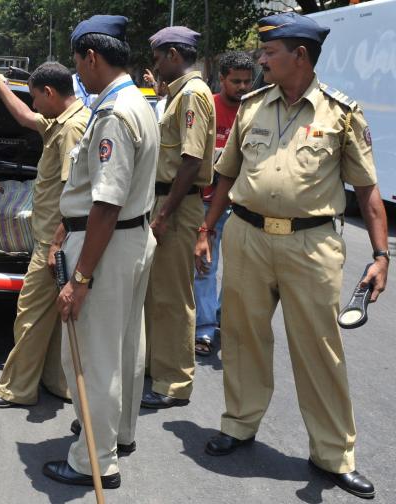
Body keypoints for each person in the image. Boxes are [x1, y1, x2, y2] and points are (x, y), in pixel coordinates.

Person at [195, 12, 389, 499]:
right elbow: (225, 175)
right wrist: (206, 230)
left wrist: (380, 255)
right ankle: (239, 423)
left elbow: (367, 190)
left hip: (311, 245)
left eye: (270, 52)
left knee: (319, 349)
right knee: (243, 338)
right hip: (247, 236)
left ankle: (333, 455)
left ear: (299, 55)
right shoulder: (252, 107)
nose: (261, 60)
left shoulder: (341, 113)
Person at [43, 15, 159, 489]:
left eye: (77, 62)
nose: (77, 72)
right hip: (130, 238)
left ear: (91, 58)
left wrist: (80, 279)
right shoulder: (136, 101)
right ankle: (117, 434)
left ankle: (94, 461)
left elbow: (106, 204)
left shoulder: (113, 113)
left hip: (107, 244)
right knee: (125, 346)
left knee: (94, 357)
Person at [0, 61, 90, 408]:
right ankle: (56, 381)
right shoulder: (63, 120)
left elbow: (75, 194)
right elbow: (24, 117)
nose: (33, 104)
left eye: (35, 97)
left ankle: (16, 389)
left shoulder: (72, 128)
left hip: (55, 241)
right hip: (53, 238)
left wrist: (56, 245)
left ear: (49, 93)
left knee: (30, 315)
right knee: (53, 316)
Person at [141, 26, 216, 410]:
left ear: (172, 54)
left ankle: (174, 382)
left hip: (176, 203)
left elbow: (191, 160)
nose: (155, 66)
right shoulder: (177, 94)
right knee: (157, 294)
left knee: (172, 296)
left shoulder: (192, 94)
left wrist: (164, 214)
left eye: (157, 57)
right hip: (165, 200)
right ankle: (159, 369)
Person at [193, 51, 254, 356]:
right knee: (205, 267)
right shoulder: (209, 108)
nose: (242, 87)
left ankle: (221, 317)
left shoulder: (255, 112)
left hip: (242, 207)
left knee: (240, 271)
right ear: (222, 79)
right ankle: (204, 330)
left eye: (247, 81)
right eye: (236, 81)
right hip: (206, 204)